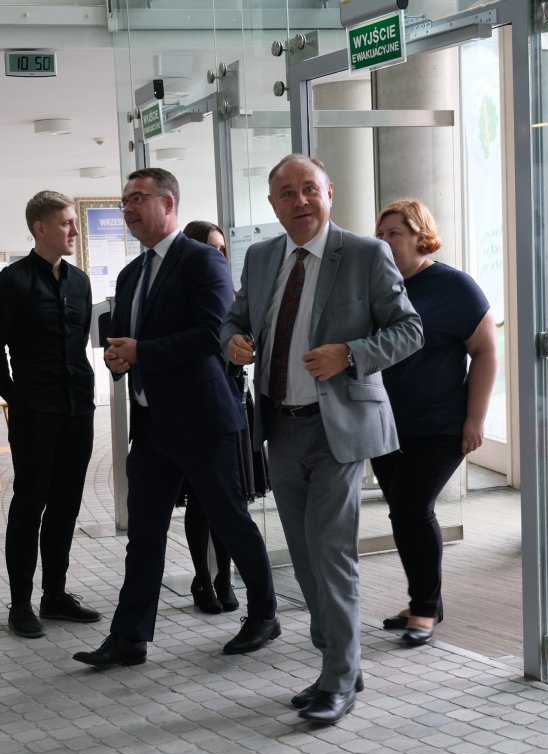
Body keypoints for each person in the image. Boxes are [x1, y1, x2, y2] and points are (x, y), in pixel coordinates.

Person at [222, 154, 423, 724]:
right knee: (306, 557)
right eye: (287, 193)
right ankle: (340, 661)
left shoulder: (364, 253)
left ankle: (338, 679)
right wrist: (232, 341)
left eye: (309, 189)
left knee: (331, 553)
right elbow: (235, 319)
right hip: (280, 426)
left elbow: (410, 329)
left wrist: (350, 355)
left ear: (329, 192)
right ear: (272, 205)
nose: (300, 201)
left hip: (337, 426)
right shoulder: (262, 257)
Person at [72, 168, 280, 669]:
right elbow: (126, 341)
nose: (128, 208)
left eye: (138, 198)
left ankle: (264, 614)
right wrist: (117, 359)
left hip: (203, 421)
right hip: (151, 427)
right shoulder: (131, 274)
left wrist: (142, 351)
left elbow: (212, 335)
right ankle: (129, 637)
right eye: (125, 200)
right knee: (144, 535)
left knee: (230, 521)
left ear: (168, 203)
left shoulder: (202, 261)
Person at [369, 199, 498, 647]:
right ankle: (426, 602)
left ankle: (424, 609)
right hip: (385, 424)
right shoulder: (378, 287)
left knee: (412, 509)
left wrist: (475, 419)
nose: (385, 241)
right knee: (403, 514)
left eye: (395, 233)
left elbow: (486, 351)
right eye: (380, 234)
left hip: (441, 426)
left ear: (421, 236)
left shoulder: (455, 287)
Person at [0, 190, 102, 637]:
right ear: (40, 228)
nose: (74, 231)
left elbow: (79, 342)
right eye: (67, 222)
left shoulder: (80, 282)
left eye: (74, 223)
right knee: (30, 505)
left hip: (78, 409)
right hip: (36, 412)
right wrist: (17, 396)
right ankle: (20, 604)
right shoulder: (11, 282)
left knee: (67, 504)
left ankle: (55, 595)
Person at [175, 220, 268, 615]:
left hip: (235, 400)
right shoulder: (183, 294)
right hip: (197, 406)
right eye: (209, 247)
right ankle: (202, 578)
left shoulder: (233, 294)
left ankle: (224, 579)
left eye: (222, 249)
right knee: (201, 499)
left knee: (232, 499)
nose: (217, 256)